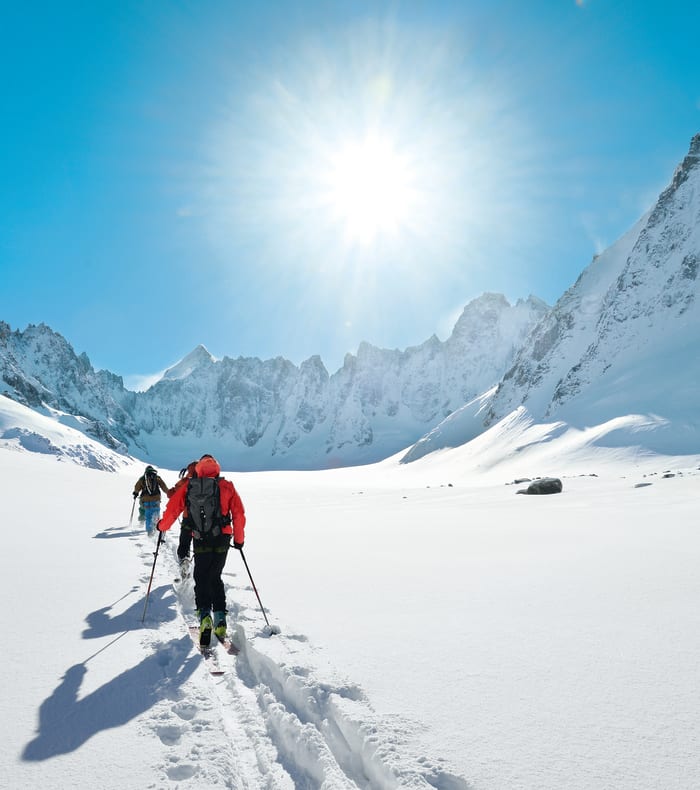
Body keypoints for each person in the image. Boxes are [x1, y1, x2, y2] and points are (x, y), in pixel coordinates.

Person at [158, 454, 246, 645]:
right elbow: (239, 514)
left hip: (200, 539)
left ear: (198, 468)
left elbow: (173, 509)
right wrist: (239, 540)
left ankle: (205, 616)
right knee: (215, 577)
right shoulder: (227, 486)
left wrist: (162, 527)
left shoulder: (190, 485)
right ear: (216, 467)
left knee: (201, 578)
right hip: (222, 539)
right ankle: (220, 619)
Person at [167, 460, 198, 576]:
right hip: (206, 522)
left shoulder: (186, 481)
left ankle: (185, 563)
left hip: (188, 518)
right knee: (201, 547)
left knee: (184, 545)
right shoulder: (210, 481)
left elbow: (171, 494)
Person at [132, 465, 170, 535]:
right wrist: (169, 493)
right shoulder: (157, 477)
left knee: (148, 516)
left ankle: (149, 532)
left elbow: (137, 487)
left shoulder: (143, 478)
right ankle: (156, 530)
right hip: (156, 499)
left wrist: (135, 493)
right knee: (156, 514)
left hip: (146, 500)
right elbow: (164, 487)